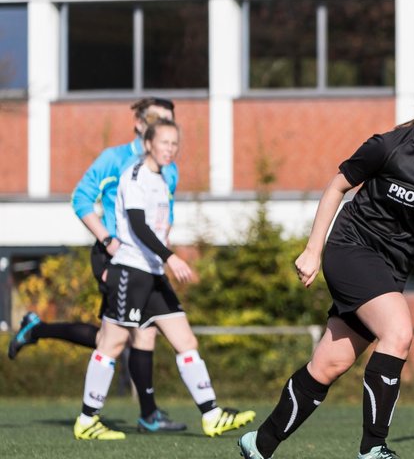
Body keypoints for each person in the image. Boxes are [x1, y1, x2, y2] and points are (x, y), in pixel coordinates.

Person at [236, 69, 414, 459]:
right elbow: (336, 187)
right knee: (398, 331)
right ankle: (373, 449)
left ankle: (259, 443)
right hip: (351, 251)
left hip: (392, 268)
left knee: (328, 365)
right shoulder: (388, 146)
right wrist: (313, 250)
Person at [72, 120, 255, 441]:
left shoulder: (161, 179)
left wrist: (163, 260)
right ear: (148, 144)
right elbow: (139, 227)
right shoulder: (135, 176)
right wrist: (171, 256)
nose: (170, 149)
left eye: (175, 143)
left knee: (185, 341)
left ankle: (212, 415)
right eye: (164, 143)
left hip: (153, 274)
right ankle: (87, 419)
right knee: (111, 344)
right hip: (130, 271)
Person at [11, 97, 186, 433]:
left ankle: (37, 329)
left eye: (172, 124)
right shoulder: (115, 159)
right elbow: (80, 199)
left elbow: (165, 217)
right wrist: (108, 240)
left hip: (145, 263)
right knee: (124, 335)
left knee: (120, 335)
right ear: (140, 125)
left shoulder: (169, 167)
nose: (169, 135)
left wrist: (160, 256)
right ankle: (136, 415)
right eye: (161, 122)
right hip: (113, 256)